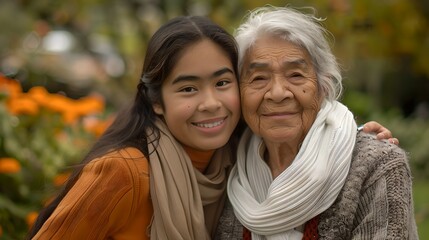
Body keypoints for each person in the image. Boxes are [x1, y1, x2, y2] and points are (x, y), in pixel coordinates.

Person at [27, 13, 396, 240]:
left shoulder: (233, 159)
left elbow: (292, 120)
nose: (210, 103)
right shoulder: (122, 172)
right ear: (156, 100)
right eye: (188, 88)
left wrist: (351, 139)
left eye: (222, 83)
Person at [224, 5, 418, 240]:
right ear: (239, 93)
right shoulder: (225, 165)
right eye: (258, 78)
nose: (277, 93)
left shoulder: (377, 167)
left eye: (295, 75)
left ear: (323, 84)